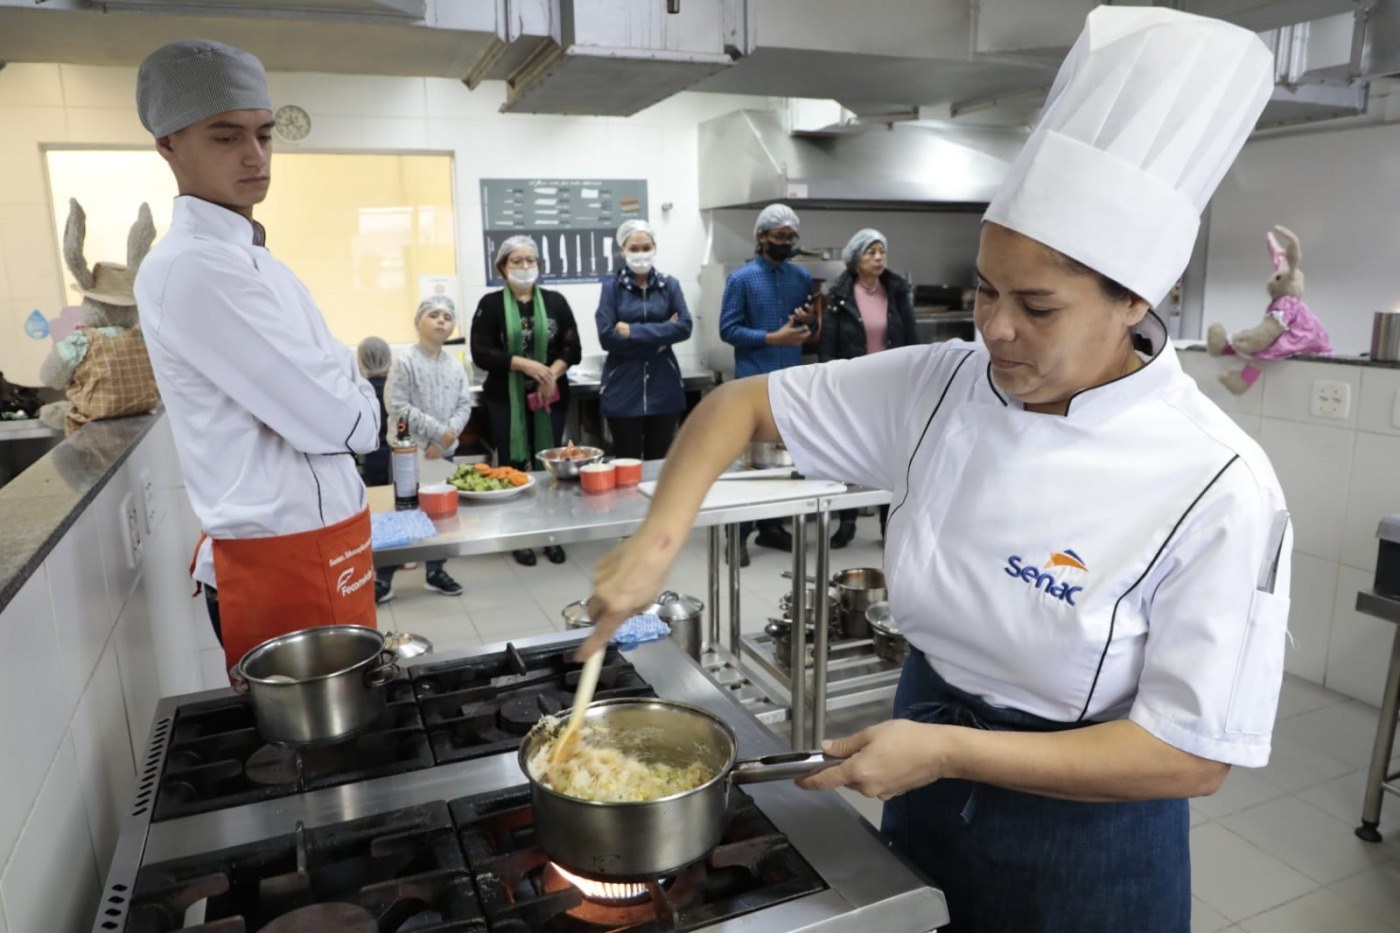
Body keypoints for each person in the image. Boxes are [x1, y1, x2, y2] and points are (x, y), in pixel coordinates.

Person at [581, 10, 1287, 931]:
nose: (994, 328)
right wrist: (651, 546)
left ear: (1135, 303)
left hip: (1086, 834)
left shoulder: (1219, 482)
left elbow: (1188, 758)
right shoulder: (946, 382)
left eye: (1036, 306)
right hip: (919, 757)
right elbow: (736, 407)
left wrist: (951, 752)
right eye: (988, 289)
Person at [132, 40, 382, 669]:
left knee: (345, 743)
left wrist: (341, 388)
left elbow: (335, 391)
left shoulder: (253, 258)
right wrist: (350, 394)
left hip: (328, 545)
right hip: (282, 563)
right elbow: (349, 425)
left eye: (265, 135)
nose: (256, 156)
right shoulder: (194, 269)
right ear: (167, 144)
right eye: (226, 137)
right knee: (318, 756)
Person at [470, 235, 581, 567]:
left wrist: (550, 376)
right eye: (516, 261)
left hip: (552, 397)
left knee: (549, 466)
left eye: (530, 260)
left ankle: (551, 535)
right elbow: (482, 352)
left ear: (539, 266)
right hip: (506, 399)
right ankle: (520, 536)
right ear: (502, 268)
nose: (524, 266)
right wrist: (525, 364)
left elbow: (572, 348)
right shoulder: (490, 305)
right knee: (513, 466)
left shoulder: (556, 301)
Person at [717, 203, 815, 566]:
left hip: (789, 384)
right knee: (749, 463)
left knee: (784, 460)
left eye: (791, 237)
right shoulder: (741, 279)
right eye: (779, 237)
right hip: (752, 383)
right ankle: (738, 535)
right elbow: (728, 330)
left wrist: (808, 322)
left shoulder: (800, 277)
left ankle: (773, 527)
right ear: (761, 236)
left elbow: (809, 331)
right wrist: (772, 337)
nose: (786, 243)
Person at [817, 228, 916, 548]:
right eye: (870, 252)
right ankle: (847, 524)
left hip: (892, 388)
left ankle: (889, 525)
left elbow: (912, 339)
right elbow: (828, 345)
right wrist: (829, 384)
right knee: (853, 455)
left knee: (891, 457)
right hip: (855, 388)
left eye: (881, 252)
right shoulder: (840, 294)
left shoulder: (897, 290)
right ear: (855, 259)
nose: (878, 258)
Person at [375, 296, 471, 603]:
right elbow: (397, 405)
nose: (441, 320)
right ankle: (385, 577)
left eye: (447, 315)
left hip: (442, 452)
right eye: (433, 315)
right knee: (402, 514)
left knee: (441, 513)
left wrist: (446, 439)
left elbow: (463, 405)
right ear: (418, 322)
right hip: (408, 453)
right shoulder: (404, 361)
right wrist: (433, 435)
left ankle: (435, 572)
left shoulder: (453, 366)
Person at [595, 219, 693, 460]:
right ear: (622, 251)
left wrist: (634, 332)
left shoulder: (669, 285)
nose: (641, 254)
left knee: (659, 461)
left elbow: (685, 327)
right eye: (634, 249)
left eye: (646, 248)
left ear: (655, 248)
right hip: (623, 388)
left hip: (664, 387)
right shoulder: (611, 288)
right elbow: (607, 337)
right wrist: (662, 335)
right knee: (626, 461)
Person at [356, 336, 392, 488]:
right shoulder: (396, 390)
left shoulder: (359, 393)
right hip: (397, 458)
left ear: (361, 363)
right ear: (389, 360)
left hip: (371, 460)